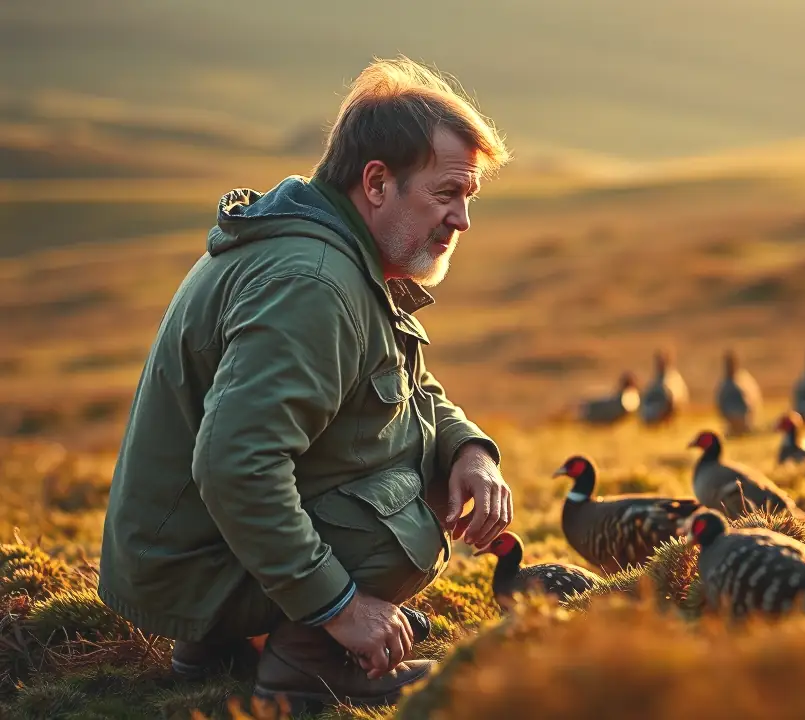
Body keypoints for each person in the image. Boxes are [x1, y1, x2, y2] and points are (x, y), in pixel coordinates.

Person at [96, 56, 514, 711]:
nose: (461, 220)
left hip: (191, 551)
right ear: (377, 183)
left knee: (423, 458)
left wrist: (470, 451)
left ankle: (230, 641)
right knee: (409, 519)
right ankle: (306, 661)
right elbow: (236, 464)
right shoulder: (313, 285)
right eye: (446, 194)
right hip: (190, 570)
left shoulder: (338, 251)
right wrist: (344, 609)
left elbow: (409, 389)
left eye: (469, 198)